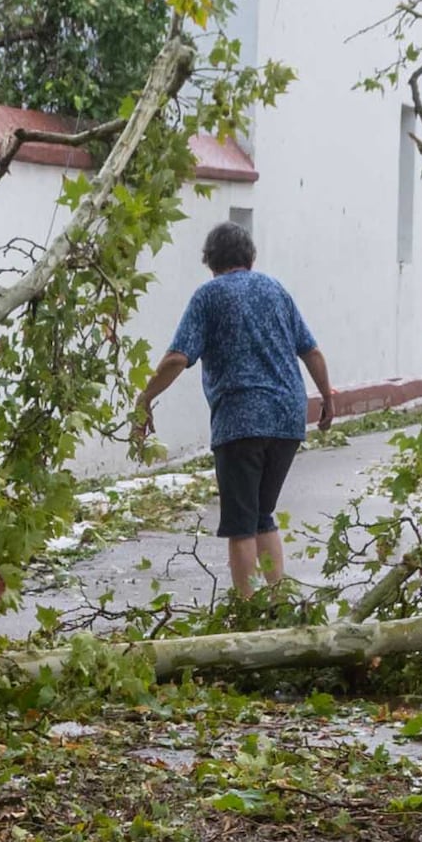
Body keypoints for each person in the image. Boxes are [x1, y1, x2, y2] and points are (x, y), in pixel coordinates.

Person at [132, 222, 335, 599]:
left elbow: (178, 358)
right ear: (251, 258)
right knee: (262, 515)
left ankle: (248, 611)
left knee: (241, 525)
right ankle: (277, 604)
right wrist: (327, 397)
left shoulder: (208, 296)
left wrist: (145, 399)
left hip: (241, 421)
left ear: (209, 261)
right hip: (288, 419)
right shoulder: (276, 290)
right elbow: (312, 351)